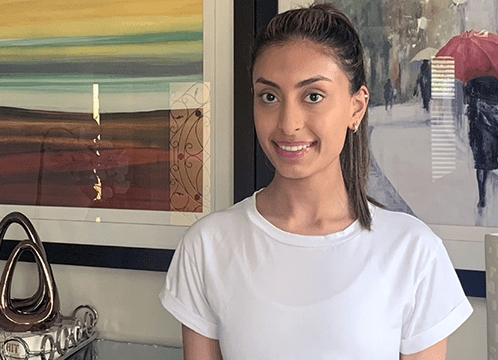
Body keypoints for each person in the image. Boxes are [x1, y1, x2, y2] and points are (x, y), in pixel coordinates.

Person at [159, 4, 472, 359]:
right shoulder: (208, 247)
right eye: (270, 97)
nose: (288, 123)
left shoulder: (413, 252)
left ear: (356, 107)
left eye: (313, 96)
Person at [463, 75, 498, 208]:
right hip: (495, 118)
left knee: (481, 162)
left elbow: (466, 97)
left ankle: (482, 197)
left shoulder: (475, 75)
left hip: (480, 120)